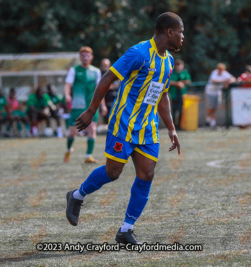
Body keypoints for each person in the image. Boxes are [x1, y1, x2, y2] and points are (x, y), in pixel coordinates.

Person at [65, 12, 183, 245]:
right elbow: (107, 79)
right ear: (170, 32)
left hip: (148, 128)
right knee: (113, 173)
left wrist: (171, 128)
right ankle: (77, 196)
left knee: (147, 174)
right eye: (181, 33)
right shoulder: (139, 53)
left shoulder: (168, 61)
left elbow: (162, 96)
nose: (183, 37)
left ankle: (125, 230)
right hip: (124, 124)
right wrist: (91, 111)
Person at [63, 46, 107, 163]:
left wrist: (103, 105)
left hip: (92, 106)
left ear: (91, 57)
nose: (85, 58)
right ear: (80, 57)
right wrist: (67, 95)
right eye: (83, 55)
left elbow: (99, 90)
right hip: (77, 105)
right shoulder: (74, 70)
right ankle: (68, 149)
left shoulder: (96, 71)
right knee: (73, 131)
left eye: (87, 55)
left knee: (92, 129)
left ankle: (89, 156)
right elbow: (67, 84)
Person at [205, 63, 236, 128]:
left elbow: (233, 79)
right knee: (211, 106)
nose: (220, 71)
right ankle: (211, 122)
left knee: (216, 107)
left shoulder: (225, 73)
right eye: (219, 69)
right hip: (210, 91)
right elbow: (213, 80)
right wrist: (224, 80)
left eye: (221, 69)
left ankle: (209, 120)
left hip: (217, 92)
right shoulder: (214, 72)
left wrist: (227, 83)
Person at [169, 59, 191, 129]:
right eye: (177, 64)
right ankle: (173, 126)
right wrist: (177, 84)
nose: (178, 66)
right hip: (174, 95)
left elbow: (188, 81)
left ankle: (179, 126)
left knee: (181, 111)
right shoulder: (172, 72)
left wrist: (182, 82)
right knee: (173, 111)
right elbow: (169, 81)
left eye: (179, 64)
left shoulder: (184, 72)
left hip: (182, 95)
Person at [101, 58, 119, 124]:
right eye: (104, 65)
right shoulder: (100, 74)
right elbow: (101, 88)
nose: (105, 66)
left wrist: (111, 86)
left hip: (115, 100)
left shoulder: (114, 73)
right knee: (108, 121)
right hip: (106, 100)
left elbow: (118, 84)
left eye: (107, 65)